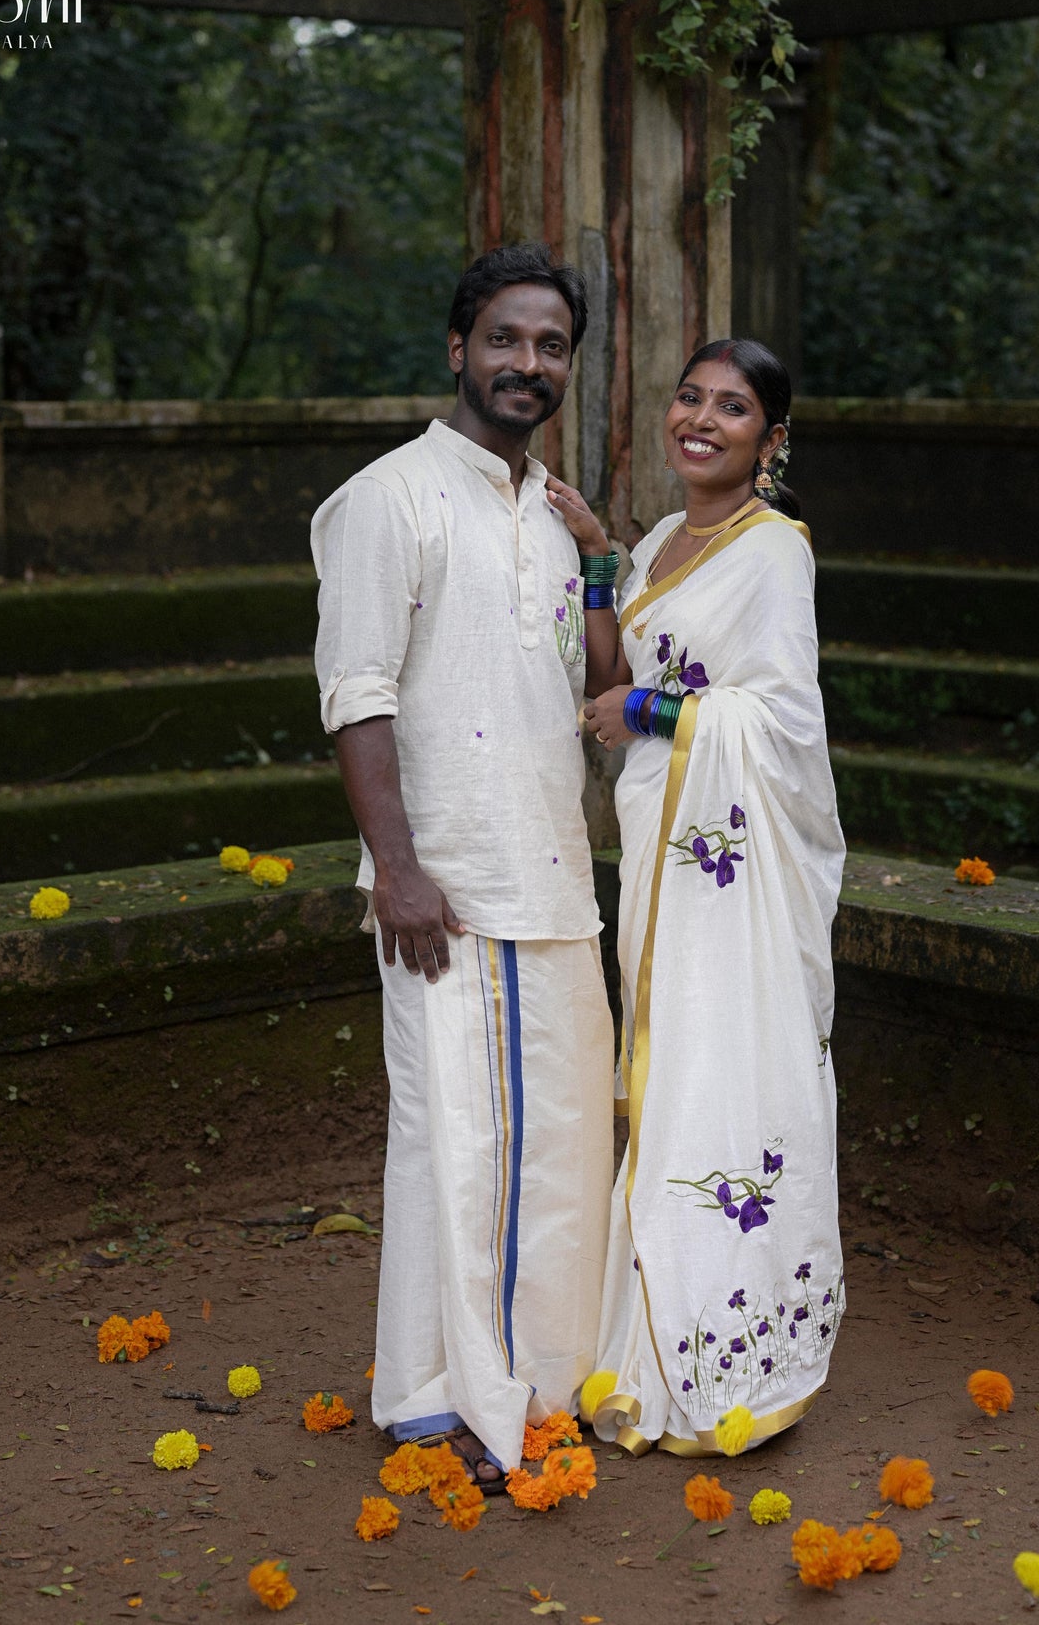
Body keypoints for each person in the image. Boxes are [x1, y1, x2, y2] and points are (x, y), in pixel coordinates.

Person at [310, 242, 614, 1488]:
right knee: (459, 1143)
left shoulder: (548, 515)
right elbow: (356, 691)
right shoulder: (386, 498)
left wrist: (597, 555)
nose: (525, 365)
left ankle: (531, 1387)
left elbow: (600, 689)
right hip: (446, 886)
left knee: (555, 1145)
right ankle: (447, 1400)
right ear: (456, 347)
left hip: (553, 876)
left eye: (549, 348)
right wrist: (399, 866)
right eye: (504, 339)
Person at [545, 338, 847, 1456]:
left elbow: (776, 722)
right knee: (661, 1065)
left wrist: (654, 717)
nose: (701, 420)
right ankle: (654, 1327)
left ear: (768, 440)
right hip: (662, 846)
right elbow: (612, 671)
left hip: (729, 872)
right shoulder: (668, 539)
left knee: (713, 1072)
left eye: (731, 409)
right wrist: (592, 561)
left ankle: (722, 1344)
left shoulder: (774, 555)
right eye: (688, 398)